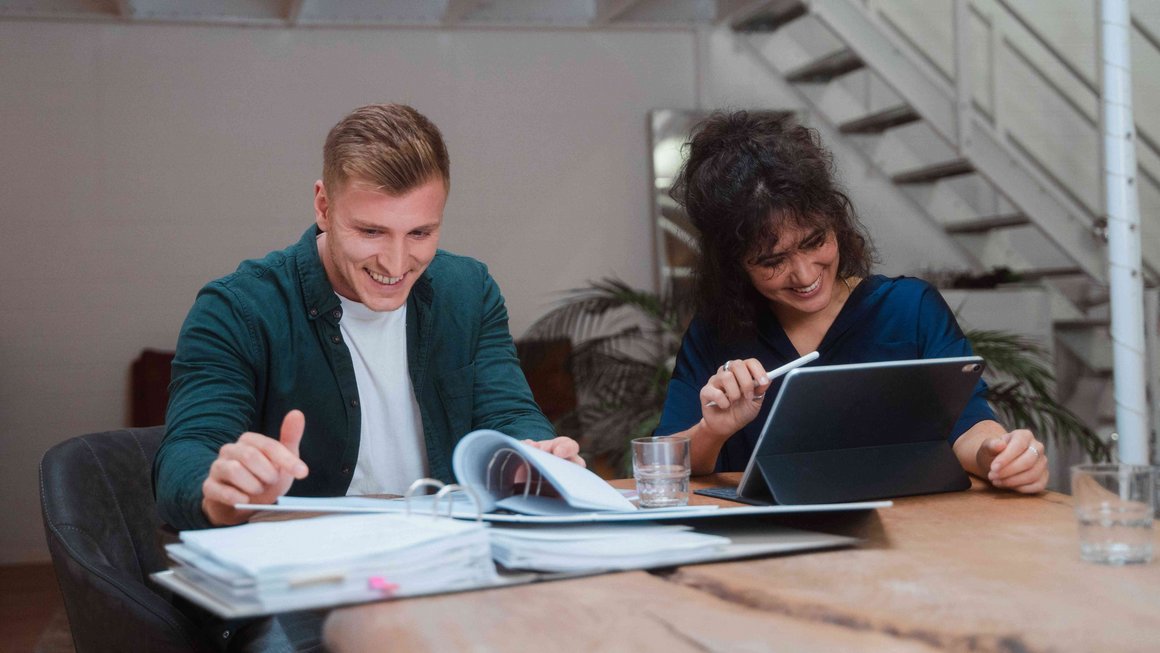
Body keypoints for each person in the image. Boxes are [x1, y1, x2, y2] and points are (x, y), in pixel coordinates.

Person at [154, 103, 584, 532]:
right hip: (308, 570)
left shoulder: (469, 290)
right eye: (371, 231)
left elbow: (509, 415)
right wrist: (226, 493)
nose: (396, 263)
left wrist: (541, 453)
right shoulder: (237, 308)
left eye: (419, 233)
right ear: (323, 206)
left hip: (448, 552)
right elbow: (187, 454)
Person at [655, 110, 1049, 494]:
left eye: (815, 242)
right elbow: (663, 465)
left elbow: (969, 426)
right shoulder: (716, 335)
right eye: (772, 262)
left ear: (837, 223)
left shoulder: (909, 310)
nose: (806, 275)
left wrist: (999, 455)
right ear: (735, 266)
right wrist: (714, 430)